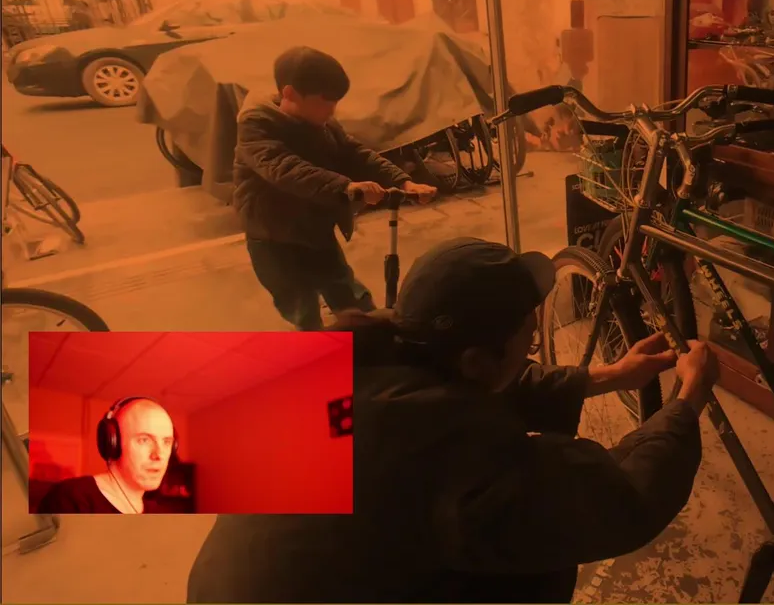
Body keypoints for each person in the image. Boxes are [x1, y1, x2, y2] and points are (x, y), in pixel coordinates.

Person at [186, 237, 720, 604]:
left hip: (252, 585)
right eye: (528, 335)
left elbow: (485, 388)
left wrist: (608, 376)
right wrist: (687, 400)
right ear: (476, 359)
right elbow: (618, 498)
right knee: (540, 557)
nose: (533, 344)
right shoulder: (453, 451)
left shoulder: (371, 353)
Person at [233, 45, 437, 331]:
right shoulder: (256, 127)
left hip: (315, 227)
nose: (332, 110)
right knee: (302, 308)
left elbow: (354, 153)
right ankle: (320, 351)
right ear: (290, 94)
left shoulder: (322, 121)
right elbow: (285, 169)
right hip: (272, 236)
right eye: (325, 103)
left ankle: (369, 344)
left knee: (351, 296)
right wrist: (347, 187)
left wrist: (403, 181)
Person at [36, 396, 179, 514]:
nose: (159, 455)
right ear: (112, 443)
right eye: (144, 440)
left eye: (167, 442)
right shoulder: (70, 498)